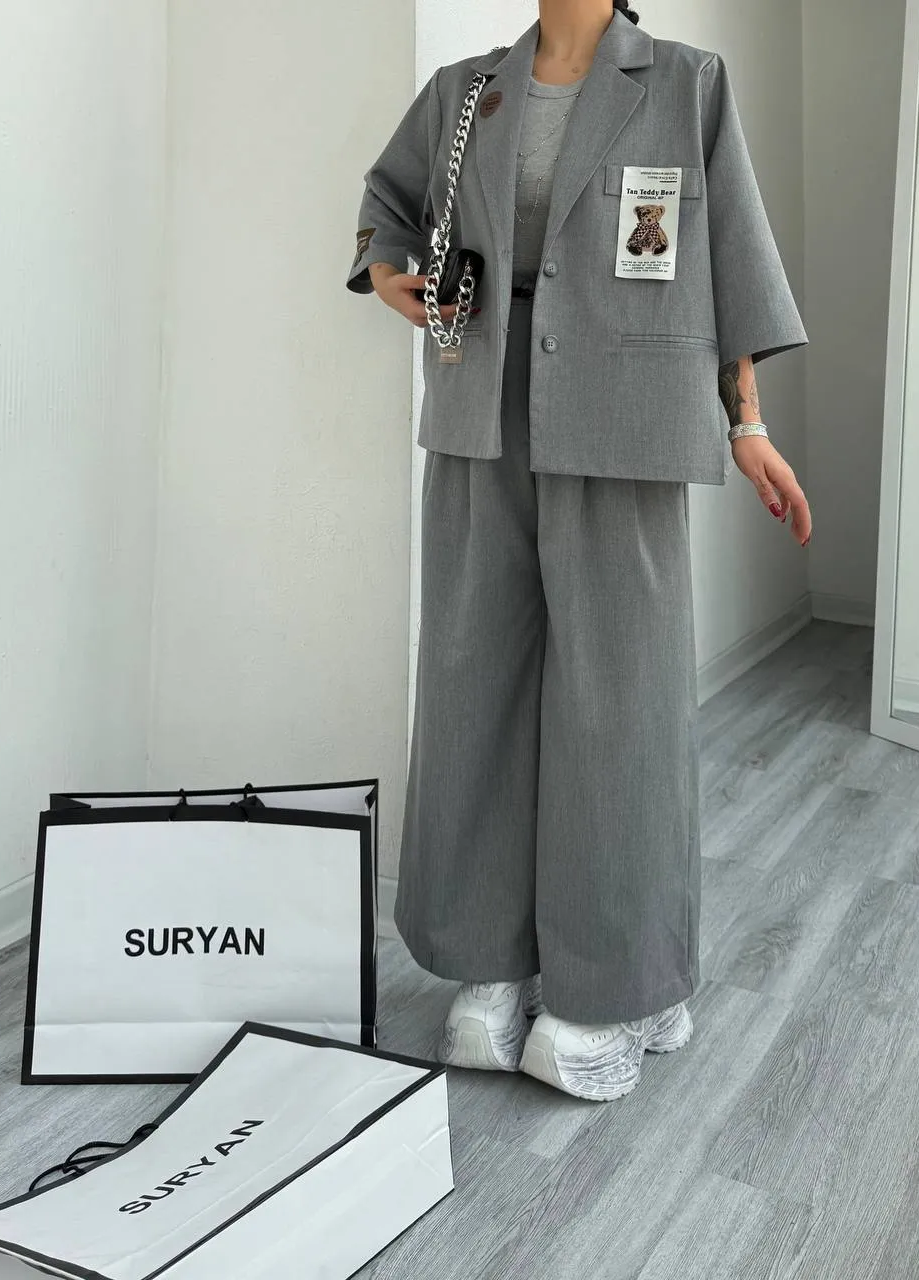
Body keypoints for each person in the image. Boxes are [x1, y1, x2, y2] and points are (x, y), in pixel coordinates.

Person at [345, 0, 812, 1103]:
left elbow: (730, 260)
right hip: (478, 410)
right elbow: (387, 205)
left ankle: (605, 988)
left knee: (621, 703)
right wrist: (387, 268)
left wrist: (745, 423)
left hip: (626, 415)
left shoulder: (686, 82)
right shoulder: (465, 90)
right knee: (473, 682)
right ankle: (490, 969)